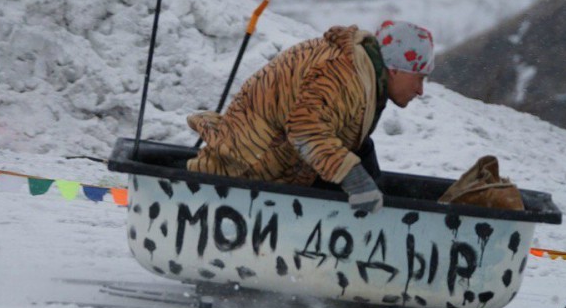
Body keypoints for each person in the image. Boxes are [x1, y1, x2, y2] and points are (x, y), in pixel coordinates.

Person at [186, 20, 434, 214]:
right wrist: (356, 182)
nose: (420, 90)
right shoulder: (346, 75)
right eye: (419, 77)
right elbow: (305, 131)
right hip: (247, 171)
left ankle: (377, 219)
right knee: (353, 168)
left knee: (361, 149)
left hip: (270, 159)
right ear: (394, 69)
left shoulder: (361, 71)